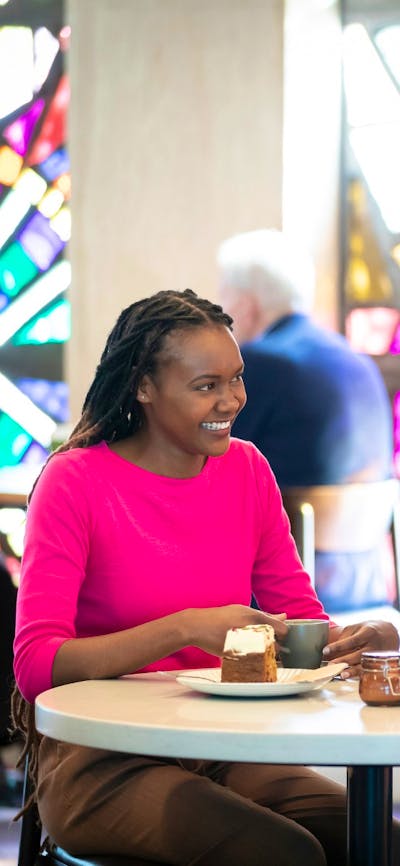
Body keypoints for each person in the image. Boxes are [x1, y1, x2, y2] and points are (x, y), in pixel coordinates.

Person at [12, 289, 400, 866]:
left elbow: (298, 617)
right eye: (205, 386)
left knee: (369, 837)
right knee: (283, 853)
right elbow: (35, 664)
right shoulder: (75, 482)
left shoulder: (246, 469)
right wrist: (184, 629)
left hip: (222, 743)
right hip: (99, 759)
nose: (232, 400)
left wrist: (356, 642)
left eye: (235, 378)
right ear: (144, 387)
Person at [217, 229, 395, 613]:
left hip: (292, 594)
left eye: (223, 301)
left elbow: (212, 465)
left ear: (245, 306)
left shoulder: (259, 363)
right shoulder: (357, 361)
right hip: (363, 582)